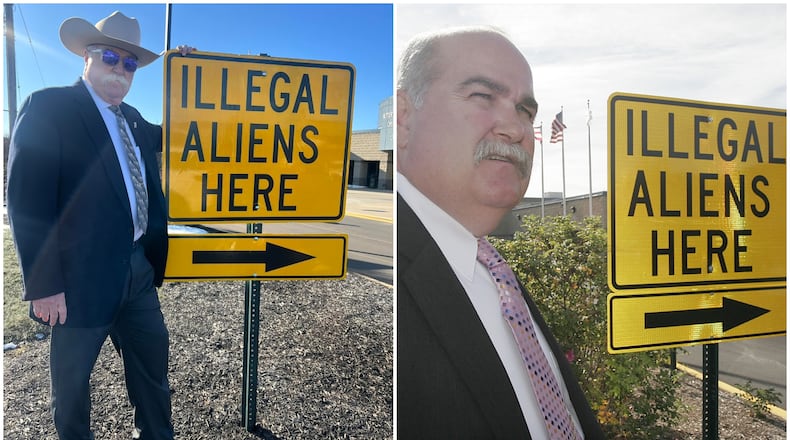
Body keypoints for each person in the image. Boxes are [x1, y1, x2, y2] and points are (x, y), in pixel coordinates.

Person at [396, 26, 604, 439]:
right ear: (403, 117)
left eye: (525, 110)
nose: (516, 128)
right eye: (482, 96)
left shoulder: (493, 270)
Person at [6, 11, 191, 440]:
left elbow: (182, 132)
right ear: (87, 56)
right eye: (111, 57)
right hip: (77, 281)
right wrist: (43, 283)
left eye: (130, 63)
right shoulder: (50, 107)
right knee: (71, 389)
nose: (120, 69)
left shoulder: (135, 121)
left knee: (152, 373)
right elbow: (26, 201)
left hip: (137, 272)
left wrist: (187, 73)